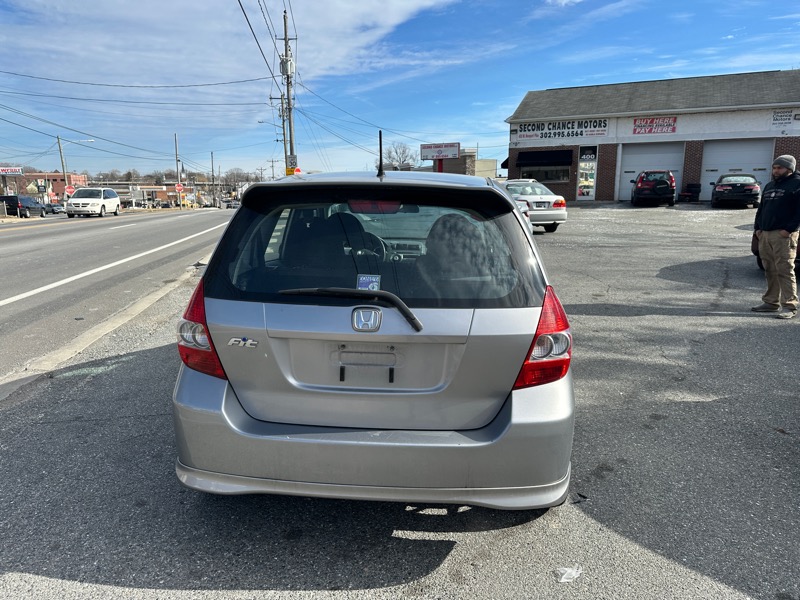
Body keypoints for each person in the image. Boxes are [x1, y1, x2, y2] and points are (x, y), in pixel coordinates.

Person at [751, 155, 800, 319]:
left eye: (780, 168)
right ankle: (771, 302)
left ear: (789, 169)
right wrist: (758, 228)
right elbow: (761, 209)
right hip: (765, 233)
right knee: (770, 269)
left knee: (784, 270)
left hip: (783, 235)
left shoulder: (797, 184)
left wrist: (788, 230)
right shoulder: (770, 185)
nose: (776, 171)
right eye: (774, 168)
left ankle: (790, 305)